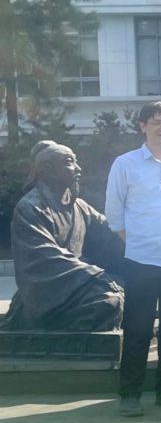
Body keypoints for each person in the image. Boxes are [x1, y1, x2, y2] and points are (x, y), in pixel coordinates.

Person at [106, 101, 161, 417]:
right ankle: (130, 394)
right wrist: (141, 242)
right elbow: (115, 216)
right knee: (138, 329)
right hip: (142, 262)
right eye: (157, 121)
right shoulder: (125, 164)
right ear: (142, 126)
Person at [2, 141, 124, 333]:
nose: (78, 168)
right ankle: (73, 339)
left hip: (82, 282)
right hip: (51, 291)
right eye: (69, 162)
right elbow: (44, 257)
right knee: (108, 300)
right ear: (48, 169)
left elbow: (109, 232)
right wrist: (96, 275)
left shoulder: (79, 206)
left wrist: (137, 239)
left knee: (135, 286)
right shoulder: (30, 208)